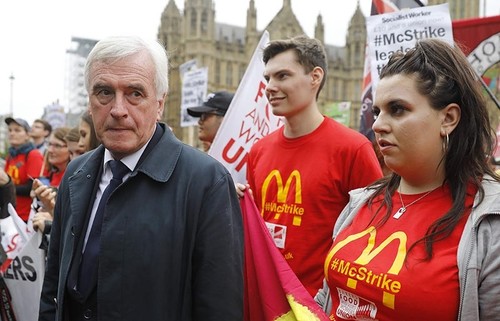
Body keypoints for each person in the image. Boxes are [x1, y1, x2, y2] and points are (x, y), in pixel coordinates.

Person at [39, 35, 244, 321]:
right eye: (104, 92)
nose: (118, 110)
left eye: (135, 93)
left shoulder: (206, 181)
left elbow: (219, 307)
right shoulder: (77, 172)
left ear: (160, 104)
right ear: (90, 102)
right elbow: (54, 286)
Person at [315, 39, 500, 320]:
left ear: (448, 118)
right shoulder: (359, 202)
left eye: (397, 109)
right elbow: (328, 298)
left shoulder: (490, 223)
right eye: (377, 111)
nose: (377, 124)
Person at [236, 35, 383, 296]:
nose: (270, 86)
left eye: (282, 76)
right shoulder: (258, 151)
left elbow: (374, 234)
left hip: (321, 304)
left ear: (315, 77)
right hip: (266, 300)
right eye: (268, 78)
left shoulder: (353, 149)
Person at [4, 117, 44, 221]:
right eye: (10, 130)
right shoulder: (11, 155)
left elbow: (31, 188)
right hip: (10, 214)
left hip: (26, 217)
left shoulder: (33, 155)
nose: (12, 133)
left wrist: (7, 187)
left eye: (17, 130)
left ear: (27, 135)